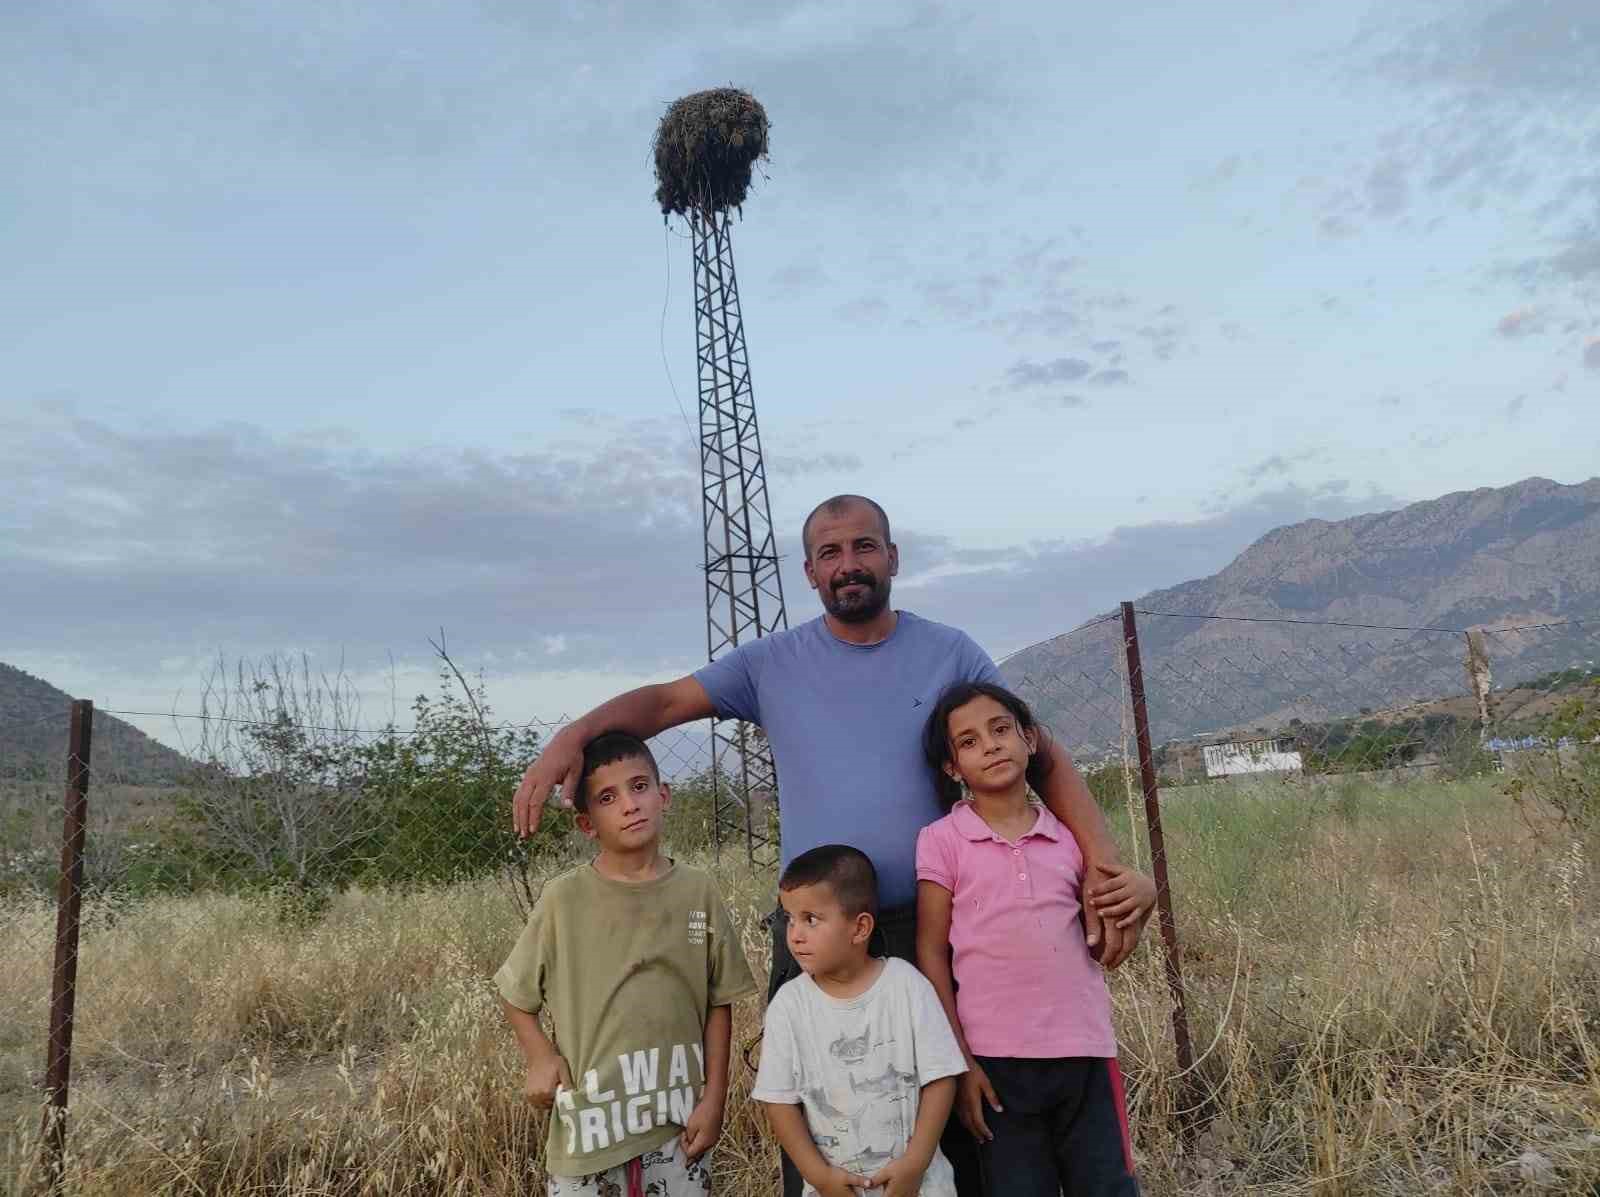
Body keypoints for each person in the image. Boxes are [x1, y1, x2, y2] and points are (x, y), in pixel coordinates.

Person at [512, 494, 1157, 1194]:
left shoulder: (950, 651)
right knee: (822, 1118)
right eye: (830, 552)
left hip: (931, 929)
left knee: (954, 1128)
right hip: (815, 933)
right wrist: (571, 737)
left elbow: (1040, 754)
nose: (848, 563)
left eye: (863, 546)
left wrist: (1106, 865)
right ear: (810, 572)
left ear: (892, 556)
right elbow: (665, 704)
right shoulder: (772, 663)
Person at [497, 731, 758, 1195]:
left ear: (664, 795)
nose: (630, 805)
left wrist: (714, 1099)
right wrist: (540, 1056)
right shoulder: (564, 901)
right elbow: (516, 995)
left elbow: (719, 1000)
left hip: (679, 1124)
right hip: (590, 1129)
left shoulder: (698, 892)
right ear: (587, 823)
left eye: (639, 787)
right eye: (607, 797)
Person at [916, 682, 1141, 1196]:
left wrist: (1141, 888)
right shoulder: (942, 842)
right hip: (996, 1066)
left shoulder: (1068, 838)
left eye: (1000, 730)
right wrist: (961, 1062)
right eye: (968, 742)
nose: (991, 745)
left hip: (1085, 1054)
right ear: (952, 768)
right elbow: (932, 950)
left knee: (1108, 1186)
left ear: (1031, 740)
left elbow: (1109, 939)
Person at [753, 844, 968, 1197]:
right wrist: (819, 1177)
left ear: (860, 927)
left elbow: (942, 1079)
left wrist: (915, 1166)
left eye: (811, 919)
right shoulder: (789, 1006)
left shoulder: (906, 985)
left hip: (921, 1188)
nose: (794, 934)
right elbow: (778, 1102)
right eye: (789, 918)